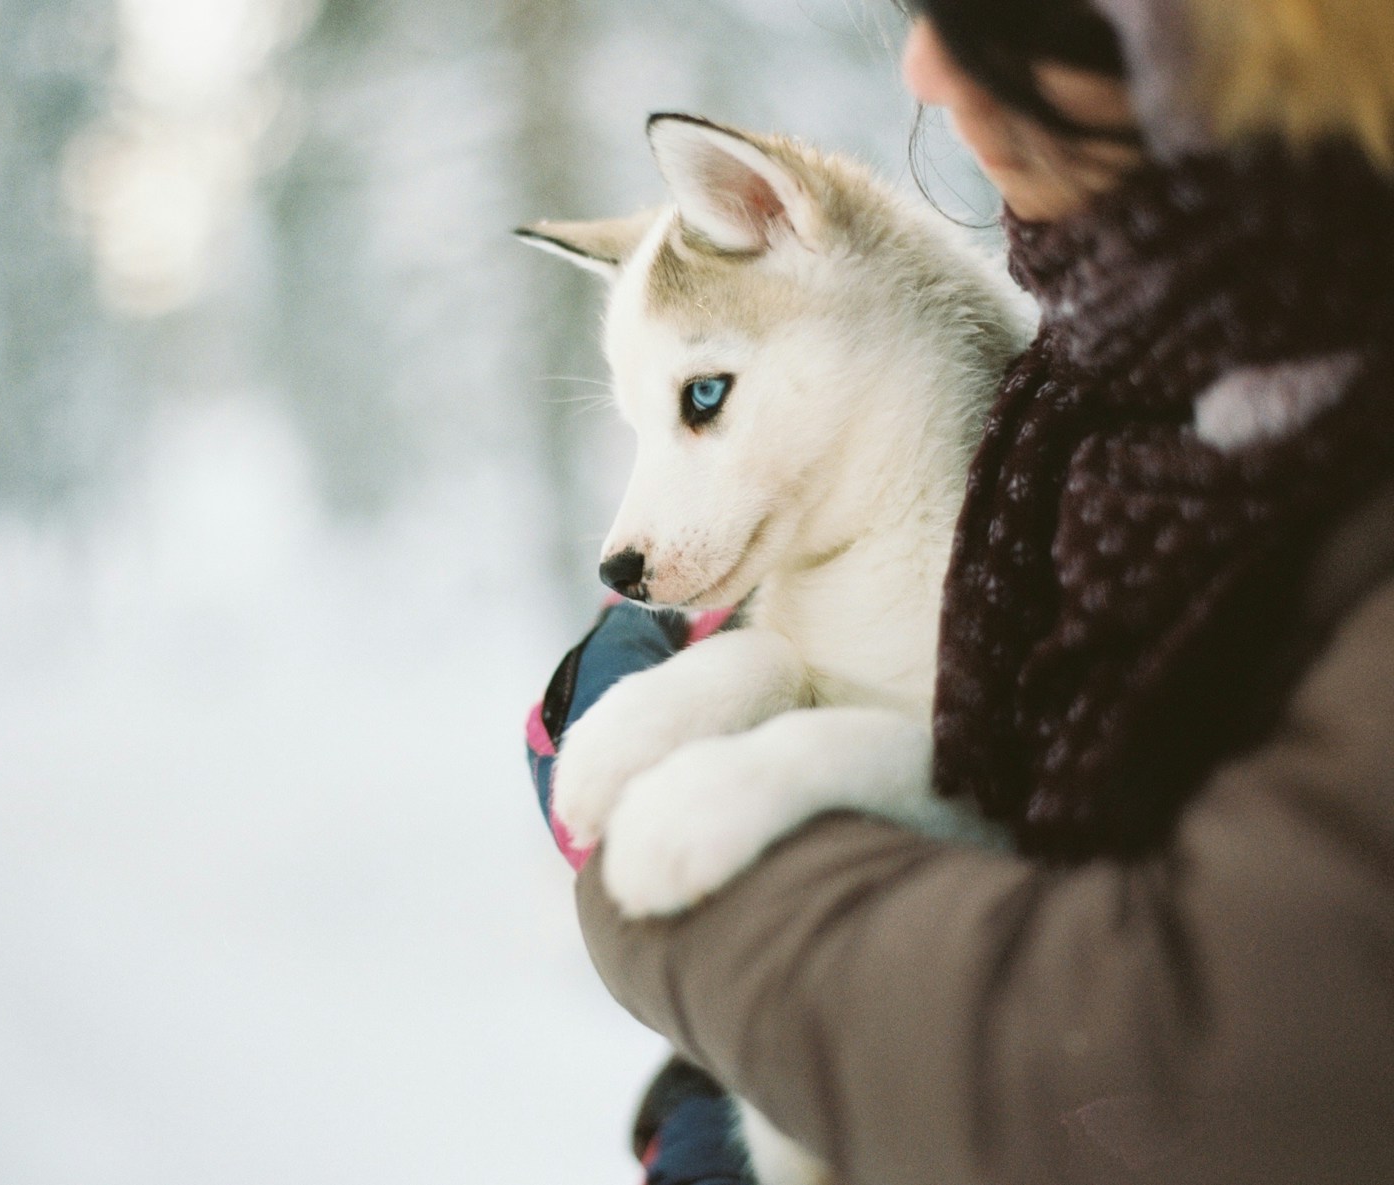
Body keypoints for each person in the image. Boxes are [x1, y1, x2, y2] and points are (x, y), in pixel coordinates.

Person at [527, 0, 1394, 1181]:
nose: (925, 62)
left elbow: (1161, 1045)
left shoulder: (1238, 466)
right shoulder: (1091, 397)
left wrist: (709, 891)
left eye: (1008, 11)